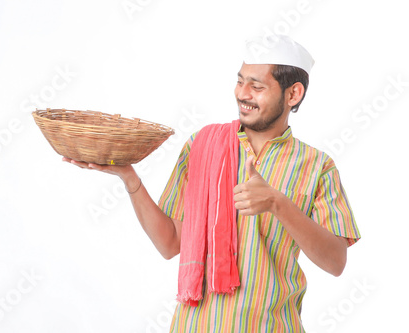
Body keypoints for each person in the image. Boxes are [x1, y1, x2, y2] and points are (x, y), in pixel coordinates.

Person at [63, 35, 361, 332]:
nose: (242, 93)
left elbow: (336, 262)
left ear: (293, 94)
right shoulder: (202, 146)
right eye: (240, 81)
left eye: (257, 86)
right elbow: (170, 243)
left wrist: (277, 203)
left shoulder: (317, 166)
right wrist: (129, 178)